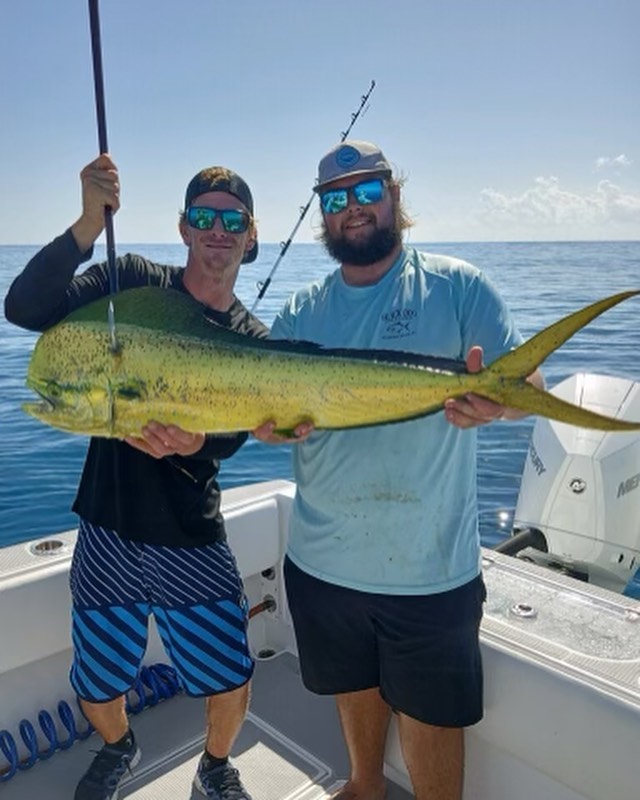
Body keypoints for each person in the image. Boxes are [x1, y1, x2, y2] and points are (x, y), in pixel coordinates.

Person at [254, 140, 544, 800]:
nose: (352, 209)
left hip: (429, 566)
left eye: (366, 192)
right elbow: (267, 413)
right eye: (336, 199)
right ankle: (364, 785)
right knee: (351, 687)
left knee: (431, 716)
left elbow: (524, 379)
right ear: (322, 215)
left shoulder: (459, 286)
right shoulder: (300, 312)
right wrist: (263, 425)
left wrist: (498, 400)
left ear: (395, 196)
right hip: (322, 560)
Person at [4, 154, 268, 800]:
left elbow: (242, 431)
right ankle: (119, 744)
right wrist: (87, 226)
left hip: (190, 534)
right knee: (97, 684)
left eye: (232, 219)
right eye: (204, 216)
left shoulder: (254, 336)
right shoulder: (131, 281)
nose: (217, 229)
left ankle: (215, 766)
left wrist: (201, 439)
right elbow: (24, 308)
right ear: (183, 228)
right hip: (109, 524)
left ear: (251, 235)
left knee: (230, 675)